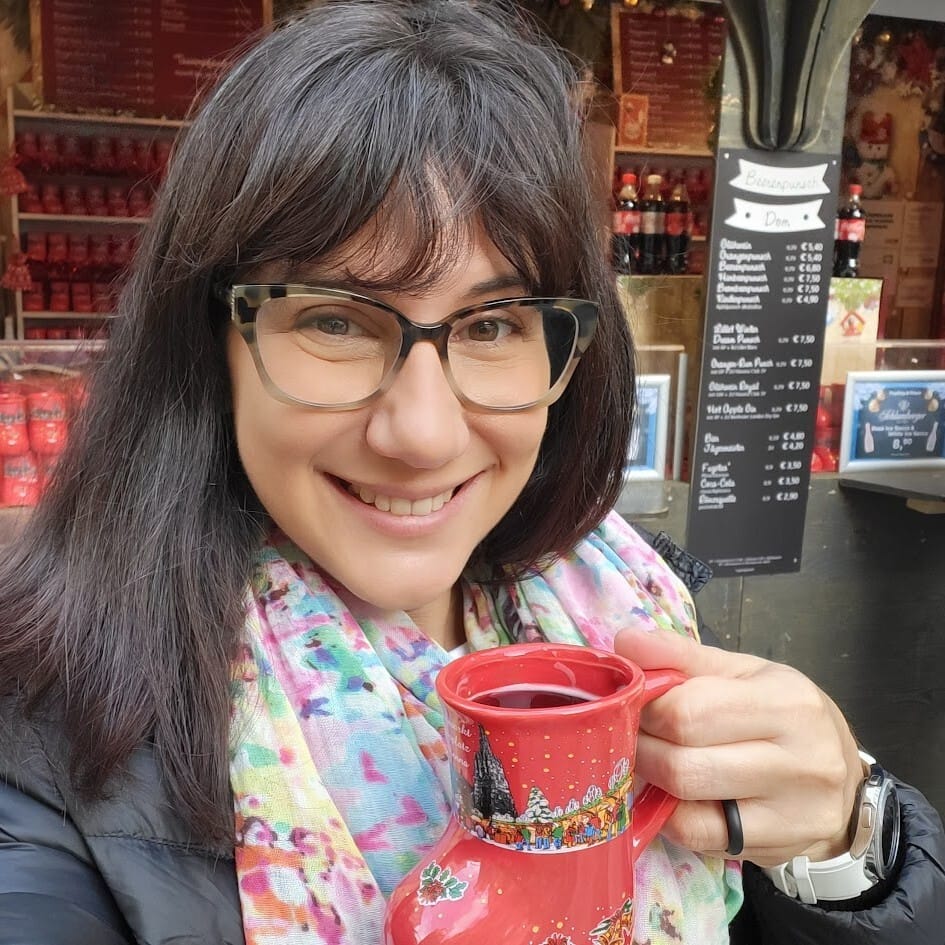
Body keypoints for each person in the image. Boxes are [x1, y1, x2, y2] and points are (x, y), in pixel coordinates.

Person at [0, 2, 942, 944]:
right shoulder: (51, 730)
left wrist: (851, 847)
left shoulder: (634, 609)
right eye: (334, 319)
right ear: (213, 341)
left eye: (492, 325)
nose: (421, 432)